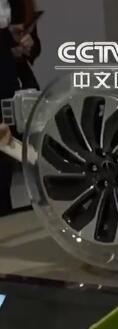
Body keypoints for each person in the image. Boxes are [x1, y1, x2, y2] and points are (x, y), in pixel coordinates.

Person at [0, 0, 40, 216]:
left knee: (21, 160)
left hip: (14, 89)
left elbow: (34, 46)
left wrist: (26, 45)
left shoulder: (19, 2)